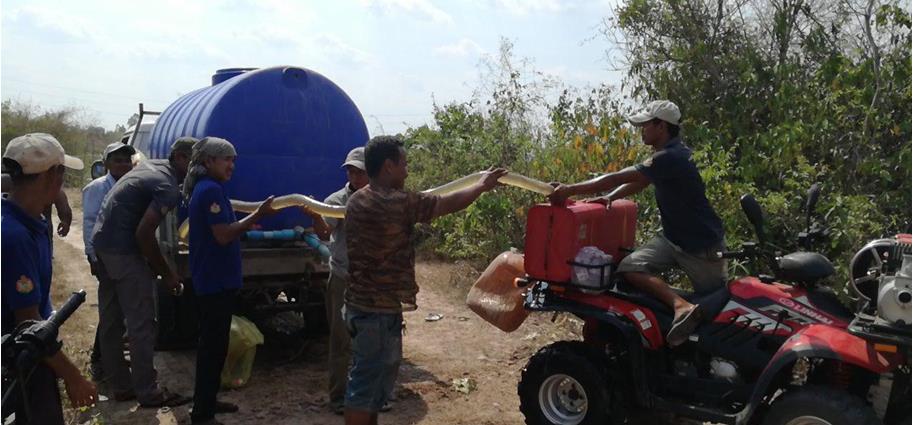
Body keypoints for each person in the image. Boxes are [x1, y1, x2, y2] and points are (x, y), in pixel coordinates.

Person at [343, 136, 506, 425]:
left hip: (367, 307)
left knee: (371, 385)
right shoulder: (394, 202)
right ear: (389, 166)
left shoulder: (359, 198)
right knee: (365, 388)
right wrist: (481, 186)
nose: (407, 172)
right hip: (375, 312)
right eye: (404, 165)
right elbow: (446, 203)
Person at [548, 100, 726, 347]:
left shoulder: (671, 157)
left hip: (701, 247)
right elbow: (641, 181)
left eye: (645, 125)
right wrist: (610, 198)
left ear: (661, 126)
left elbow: (616, 177)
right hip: (673, 238)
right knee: (629, 268)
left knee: (716, 310)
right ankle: (679, 305)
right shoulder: (669, 155)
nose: (641, 130)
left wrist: (570, 190)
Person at [91, 136, 198, 407]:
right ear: (183, 159)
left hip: (103, 245)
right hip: (124, 253)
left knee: (112, 320)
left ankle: (122, 385)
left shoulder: (151, 166)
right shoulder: (167, 185)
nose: (200, 169)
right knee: (142, 323)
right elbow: (144, 234)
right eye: (198, 162)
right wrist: (167, 273)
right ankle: (148, 392)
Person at [1, 133, 97, 424]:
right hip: (20, 360)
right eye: (62, 171)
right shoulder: (14, 236)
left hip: (33, 354)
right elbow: (28, 325)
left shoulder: (31, 223)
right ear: (53, 176)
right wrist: (73, 377)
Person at [184, 137, 277, 424]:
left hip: (216, 278)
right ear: (208, 161)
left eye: (233, 160)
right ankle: (202, 414)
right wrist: (257, 215)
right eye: (226, 159)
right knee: (212, 347)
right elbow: (223, 234)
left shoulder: (211, 188)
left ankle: (209, 401)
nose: (231, 165)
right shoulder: (210, 190)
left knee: (215, 346)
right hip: (215, 281)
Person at [302, 147, 374, 415]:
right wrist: (315, 216)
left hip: (374, 282)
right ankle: (339, 398)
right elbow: (323, 232)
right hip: (345, 279)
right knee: (341, 340)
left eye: (360, 172)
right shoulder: (337, 200)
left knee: (373, 341)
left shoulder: (384, 197)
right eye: (351, 171)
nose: (355, 177)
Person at [82, 142, 136, 382]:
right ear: (106, 164)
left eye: (127, 160)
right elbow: (90, 223)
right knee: (111, 313)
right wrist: (92, 256)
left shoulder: (134, 185)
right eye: (118, 160)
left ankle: (108, 357)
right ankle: (100, 361)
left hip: (128, 258)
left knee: (120, 311)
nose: (123, 164)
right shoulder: (97, 188)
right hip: (106, 258)